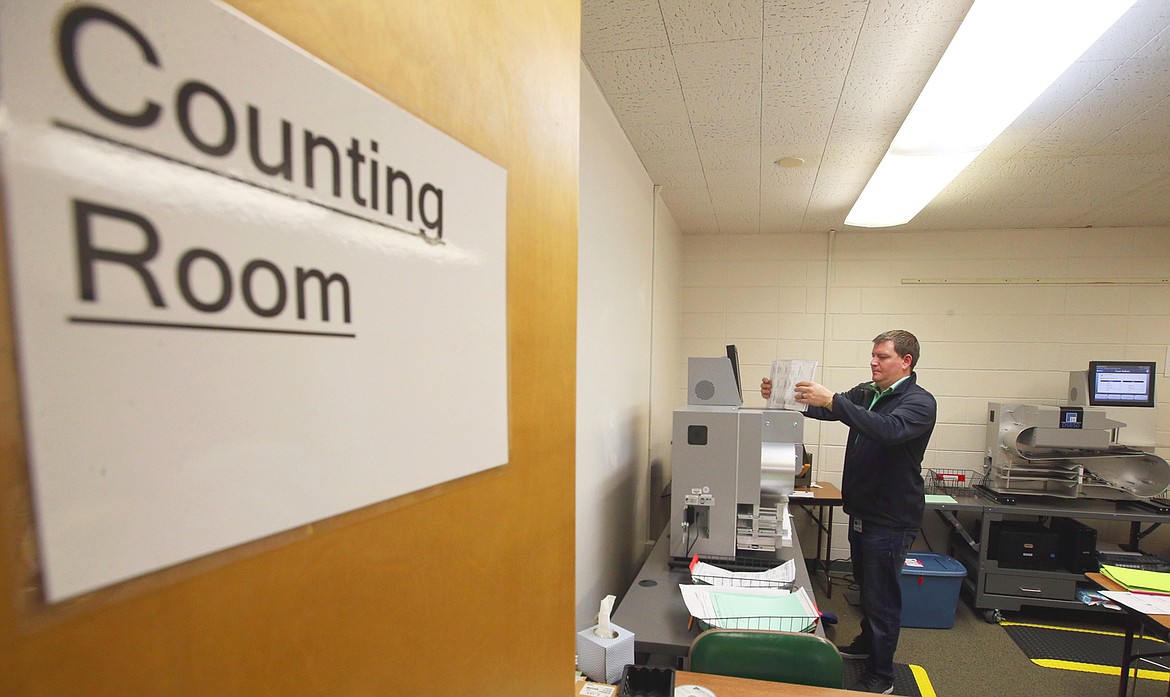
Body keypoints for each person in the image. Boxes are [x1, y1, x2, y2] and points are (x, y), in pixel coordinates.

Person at [761, 330, 936, 694]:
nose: (873, 362)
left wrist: (834, 400)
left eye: (882, 356)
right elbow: (828, 410)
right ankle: (866, 645)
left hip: (890, 517)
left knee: (882, 596)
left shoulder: (918, 402)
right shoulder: (869, 393)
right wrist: (785, 396)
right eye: (873, 355)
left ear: (906, 361)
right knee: (865, 585)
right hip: (863, 510)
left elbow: (886, 430)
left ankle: (882, 675)